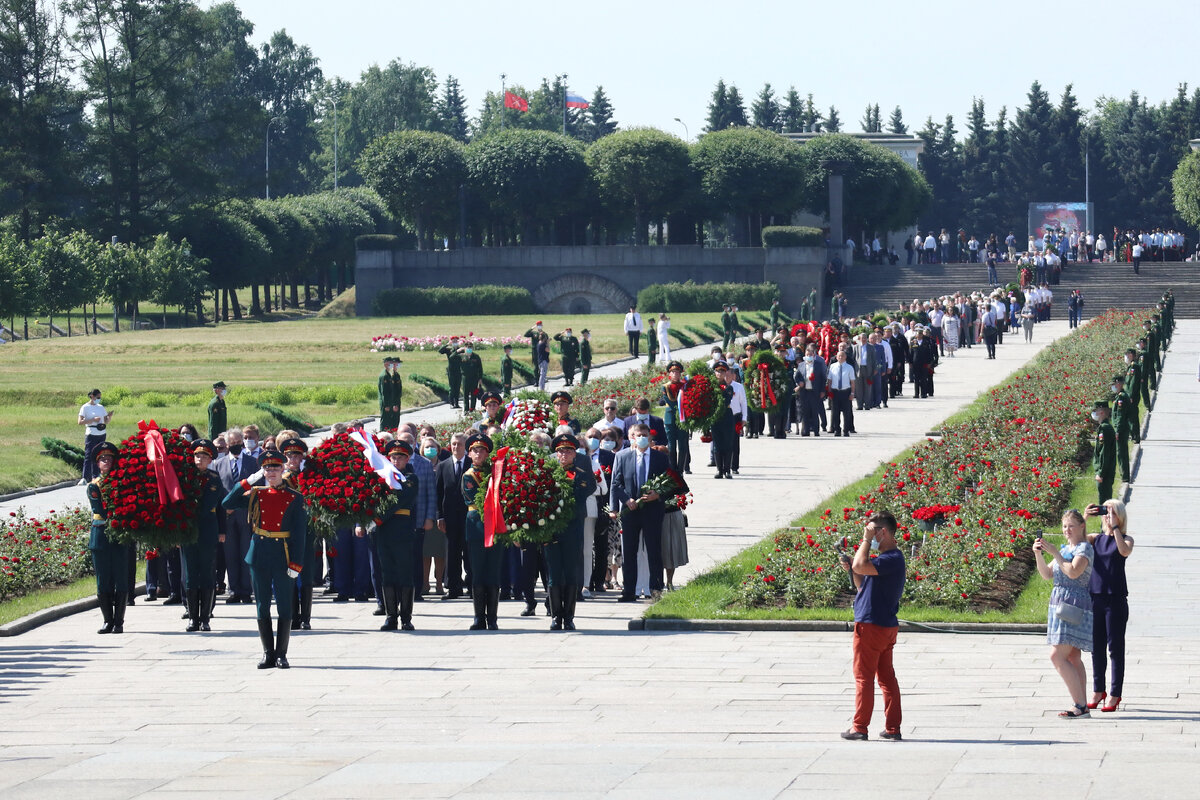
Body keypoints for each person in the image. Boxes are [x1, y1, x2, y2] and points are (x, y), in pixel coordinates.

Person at [222, 448, 308, 669]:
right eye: (267, 468)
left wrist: (296, 563)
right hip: (260, 554)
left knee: (284, 606)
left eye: (276, 467)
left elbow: (300, 534)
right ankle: (267, 653)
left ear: (283, 468)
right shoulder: (256, 494)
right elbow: (227, 503)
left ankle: (282, 654)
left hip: (283, 554)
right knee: (262, 605)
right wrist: (248, 481)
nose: (271, 472)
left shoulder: (295, 497)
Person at [839, 511, 905, 741]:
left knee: (863, 677)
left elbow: (861, 564)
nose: (869, 536)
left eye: (872, 531)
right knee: (887, 678)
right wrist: (852, 569)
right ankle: (893, 728)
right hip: (884, 625)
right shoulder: (886, 561)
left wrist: (866, 541)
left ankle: (859, 727)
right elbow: (861, 580)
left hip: (871, 625)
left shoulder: (891, 559)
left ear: (883, 532)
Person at [1033, 509, 1094, 718]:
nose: (1067, 530)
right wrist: (1038, 553)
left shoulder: (1084, 549)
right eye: (1064, 526)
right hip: (1061, 605)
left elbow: (1074, 572)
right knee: (1073, 657)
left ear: (1081, 526)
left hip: (1074, 606)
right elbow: (1047, 574)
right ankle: (1082, 704)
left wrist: (1056, 554)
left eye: (1071, 526)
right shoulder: (1066, 549)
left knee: (1057, 656)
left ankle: (1080, 704)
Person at [357, 440, 419, 630]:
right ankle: (391, 616)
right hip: (384, 532)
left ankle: (406, 617)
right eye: (393, 457)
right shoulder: (382, 477)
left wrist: (375, 519)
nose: (396, 460)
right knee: (388, 574)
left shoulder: (409, 478)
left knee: (405, 574)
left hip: (402, 531)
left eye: (400, 456)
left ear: (407, 458)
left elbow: (396, 502)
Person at [610, 422, 668, 601]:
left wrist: (657, 494)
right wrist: (626, 500)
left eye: (645, 434)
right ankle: (629, 591)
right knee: (629, 552)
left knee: (654, 551)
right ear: (632, 437)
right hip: (631, 511)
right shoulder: (622, 456)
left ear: (650, 437)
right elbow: (616, 483)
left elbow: (672, 482)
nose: (642, 437)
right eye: (638, 434)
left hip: (652, 511)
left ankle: (656, 590)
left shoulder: (660, 457)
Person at [1085, 500, 1133, 712]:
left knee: (1115, 648)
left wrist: (1115, 528)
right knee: (1096, 648)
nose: (1106, 516)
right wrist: (1085, 518)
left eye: (1111, 512)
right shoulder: (1095, 539)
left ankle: (1114, 694)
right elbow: (1076, 542)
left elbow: (1123, 551)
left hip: (1115, 600)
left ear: (1120, 516)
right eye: (1104, 512)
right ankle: (1098, 690)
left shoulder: (1126, 539)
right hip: (1095, 597)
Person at [545, 433, 596, 630]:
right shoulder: (549, 473)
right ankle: (556, 616)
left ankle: (569, 617)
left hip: (573, 526)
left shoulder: (582, 472)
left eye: (568, 451)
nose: (564, 454)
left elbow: (589, 488)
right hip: (552, 528)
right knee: (554, 573)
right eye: (560, 451)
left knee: (571, 572)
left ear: (575, 454)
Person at [86, 442, 131, 634]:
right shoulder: (93, 486)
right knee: (103, 580)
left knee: (121, 579)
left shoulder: (122, 483)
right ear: (98, 463)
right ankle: (107, 620)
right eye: (103, 459)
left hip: (119, 536)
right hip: (101, 535)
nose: (106, 462)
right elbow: (100, 509)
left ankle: (119, 621)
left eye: (109, 459)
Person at [182, 439, 226, 632]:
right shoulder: (185, 478)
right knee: (191, 574)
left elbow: (221, 507)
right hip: (189, 529)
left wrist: (222, 530)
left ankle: (205, 617)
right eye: (197, 455)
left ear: (210, 460)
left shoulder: (215, 478)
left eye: (204, 456)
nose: (200, 459)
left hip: (208, 529)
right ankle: (192, 618)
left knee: (207, 573)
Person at [462, 433, 503, 630]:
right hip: (477, 529)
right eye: (474, 450)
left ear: (488, 454)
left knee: (493, 574)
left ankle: (493, 617)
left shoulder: (496, 474)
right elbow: (476, 499)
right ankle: (479, 617)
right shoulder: (468, 476)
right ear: (469, 454)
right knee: (478, 574)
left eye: (482, 450)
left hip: (495, 528)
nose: (478, 453)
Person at [214, 428, 256, 604]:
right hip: (227, 517)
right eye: (233, 444)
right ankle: (234, 590)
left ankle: (246, 590)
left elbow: (258, 486)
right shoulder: (218, 464)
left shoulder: (253, 462)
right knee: (230, 554)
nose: (236, 446)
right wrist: (226, 507)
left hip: (246, 515)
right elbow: (218, 490)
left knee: (245, 552)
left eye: (239, 443)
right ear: (227, 444)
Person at [436, 433, 471, 600]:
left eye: (459, 444)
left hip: (469, 517)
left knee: (470, 552)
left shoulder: (472, 464)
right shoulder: (444, 465)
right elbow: (439, 493)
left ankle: (472, 586)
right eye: (453, 444)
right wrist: (439, 517)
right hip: (449, 518)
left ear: (465, 447)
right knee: (452, 552)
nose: (456, 447)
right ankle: (453, 587)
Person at [79, 389, 114, 483]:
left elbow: (105, 421)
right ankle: (85, 477)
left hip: (101, 432)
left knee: (100, 454)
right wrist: (92, 420)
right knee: (89, 455)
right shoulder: (85, 407)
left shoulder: (100, 407)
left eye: (100, 397)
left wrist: (109, 417)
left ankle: (97, 476)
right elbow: (80, 422)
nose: (99, 399)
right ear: (92, 396)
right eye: (97, 397)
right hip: (91, 432)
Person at [710, 362, 737, 478]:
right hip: (715, 418)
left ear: (725, 373)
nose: (719, 374)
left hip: (726, 416)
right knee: (717, 444)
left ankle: (727, 470)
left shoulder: (729, 388)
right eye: (717, 371)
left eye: (722, 371)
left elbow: (725, 401)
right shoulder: (711, 387)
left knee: (728, 443)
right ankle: (719, 470)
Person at [826, 346, 856, 436]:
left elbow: (852, 382)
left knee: (847, 413)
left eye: (842, 356)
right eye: (839, 356)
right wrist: (829, 392)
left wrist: (852, 393)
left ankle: (846, 430)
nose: (840, 357)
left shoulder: (849, 367)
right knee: (835, 412)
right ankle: (837, 430)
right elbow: (829, 380)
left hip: (845, 392)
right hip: (835, 392)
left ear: (845, 357)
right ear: (836, 357)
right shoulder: (832, 366)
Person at [1092, 401, 1117, 504]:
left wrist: (1100, 473)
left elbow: (1104, 453)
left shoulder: (1105, 429)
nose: (1093, 413)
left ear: (1101, 412)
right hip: (1105, 472)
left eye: (1095, 411)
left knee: (1104, 504)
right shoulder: (1104, 427)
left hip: (1105, 474)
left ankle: (1105, 521)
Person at [378, 357, 402, 430]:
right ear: (386, 364)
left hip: (392, 401)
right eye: (391, 363)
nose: (393, 365)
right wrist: (387, 404)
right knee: (386, 420)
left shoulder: (391, 375)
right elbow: (384, 392)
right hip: (387, 402)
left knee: (392, 420)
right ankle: (383, 435)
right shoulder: (385, 376)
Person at [459, 344, 483, 411]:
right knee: (465, 394)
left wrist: (480, 378)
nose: (469, 349)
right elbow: (452, 357)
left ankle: (472, 408)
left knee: (474, 394)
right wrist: (458, 351)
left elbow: (480, 368)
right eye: (467, 348)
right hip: (465, 378)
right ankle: (466, 410)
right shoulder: (462, 356)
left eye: (470, 348)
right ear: (465, 348)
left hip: (474, 378)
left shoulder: (476, 357)